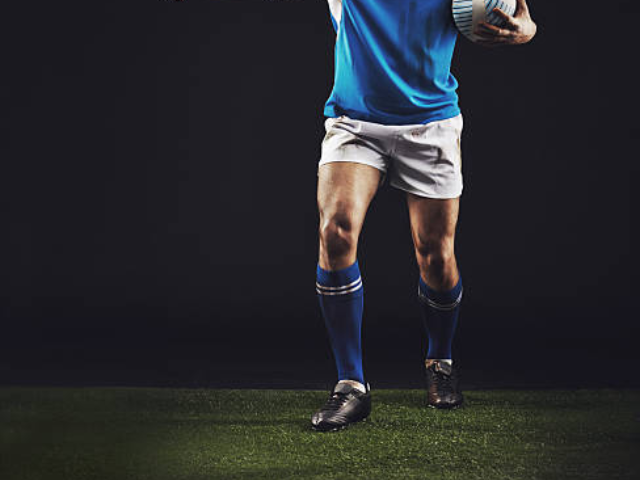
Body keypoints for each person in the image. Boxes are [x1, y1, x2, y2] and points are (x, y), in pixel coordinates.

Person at [311, 0, 536, 431]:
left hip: (431, 123)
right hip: (355, 122)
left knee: (435, 253)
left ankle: (441, 361)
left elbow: (518, 14)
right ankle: (350, 385)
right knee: (335, 231)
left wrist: (526, 27)